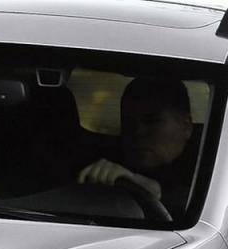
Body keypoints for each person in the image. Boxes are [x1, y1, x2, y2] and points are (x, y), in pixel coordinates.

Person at [77, 77, 197, 211]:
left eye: (153, 121)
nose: (138, 131)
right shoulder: (101, 160)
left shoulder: (209, 167)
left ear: (186, 126)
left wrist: (155, 191)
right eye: (128, 123)